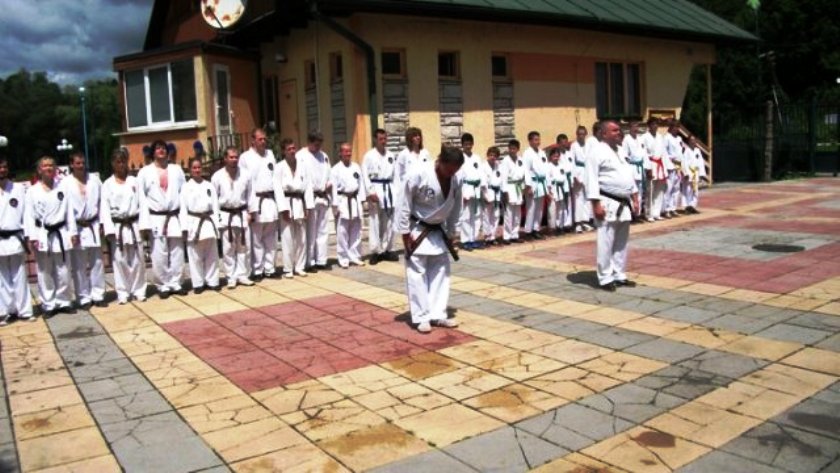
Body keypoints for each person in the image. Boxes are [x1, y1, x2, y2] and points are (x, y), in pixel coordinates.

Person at [397, 146, 463, 333]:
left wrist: (452, 232)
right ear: (440, 161)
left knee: (441, 272)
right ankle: (421, 317)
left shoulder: (456, 179)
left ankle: (437, 313)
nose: (451, 174)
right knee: (417, 274)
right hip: (418, 229)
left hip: (439, 232)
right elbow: (403, 203)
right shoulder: (418, 174)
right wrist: (404, 233)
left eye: (455, 171)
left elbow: (456, 207)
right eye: (449, 170)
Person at [585, 120, 639, 291]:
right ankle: (605, 277)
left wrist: (635, 197)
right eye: (614, 130)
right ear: (603, 133)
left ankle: (619, 274)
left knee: (621, 241)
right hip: (606, 201)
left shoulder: (620, 150)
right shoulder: (596, 152)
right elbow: (591, 179)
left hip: (624, 201)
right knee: (606, 241)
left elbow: (628, 175)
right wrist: (596, 204)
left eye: (619, 130)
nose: (618, 132)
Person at [25, 156, 78, 315]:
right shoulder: (32, 191)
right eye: (45, 166)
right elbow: (29, 216)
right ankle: (48, 304)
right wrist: (32, 237)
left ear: (55, 169)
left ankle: (64, 301)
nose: (48, 168)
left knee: (64, 271)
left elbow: (69, 212)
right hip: (43, 233)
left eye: (51, 165)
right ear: (39, 170)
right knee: (44, 271)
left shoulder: (62, 188)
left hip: (61, 232)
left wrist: (73, 232)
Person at [138, 140, 187, 298]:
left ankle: (176, 283)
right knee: (159, 253)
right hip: (156, 217)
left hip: (174, 215)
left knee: (177, 252)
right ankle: (162, 285)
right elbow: (141, 199)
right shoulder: (145, 172)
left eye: (163, 148)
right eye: (158, 148)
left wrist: (184, 220)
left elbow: (183, 194)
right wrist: (144, 223)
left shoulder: (176, 170)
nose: (161, 150)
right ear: (153, 152)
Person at [100, 149, 147, 304]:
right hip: (118, 226)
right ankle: (123, 292)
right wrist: (108, 229)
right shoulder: (107, 184)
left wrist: (144, 226)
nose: (121, 165)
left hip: (133, 224)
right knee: (119, 261)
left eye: (123, 161)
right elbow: (105, 209)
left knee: (138, 259)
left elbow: (143, 204)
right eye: (118, 162)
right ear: (113, 164)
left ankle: (139, 290)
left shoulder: (134, 181)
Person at [62, 152, 106, 309]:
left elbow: (102, 203)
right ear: (71, 165)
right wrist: (71, 231)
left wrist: (102, 223)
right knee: (79, 265)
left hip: (93, 224)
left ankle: (98, 294)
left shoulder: (94, 180)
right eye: (77, 163)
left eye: (82, 163)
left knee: (97, 262)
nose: (81, 166)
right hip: (77, 226)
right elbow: (65, 208)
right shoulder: (65, 183)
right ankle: (83, 297)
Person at [242, 128, 284, 279]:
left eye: (264, 139)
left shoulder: (270, 154)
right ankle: (257, 269)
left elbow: (276, 179)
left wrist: (280, 203)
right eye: (260, 139)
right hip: (256, 201)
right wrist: (249, 208)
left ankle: (269, 268)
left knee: (271, 238)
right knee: (257, 239)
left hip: (270, 201)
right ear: (253, 140)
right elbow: (244, 183)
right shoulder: (245, 158)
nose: (263, 142)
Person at [212, 146, 254, 288]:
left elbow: (250, 195)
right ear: (225, 159)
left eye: (236, 157)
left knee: (244, 247)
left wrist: (251, 212)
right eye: (231, 157)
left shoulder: (246, 174)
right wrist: (217, 218)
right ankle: (231, 276)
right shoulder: (217, 176)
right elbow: (214, 199)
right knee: (228, 248)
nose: (234, 160)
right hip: (226, 215)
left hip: (242, 214)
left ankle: (243, 275)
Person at [0, 158, 34, 324]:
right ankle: (6, 311)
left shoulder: (18, 189)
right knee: (2, 277)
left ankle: (25, 310)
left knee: (20, 275)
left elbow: (27, 213)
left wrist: (28, 235)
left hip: (15, 237)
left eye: (4, 167)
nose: (2, 170)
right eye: (0, 167)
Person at [181, 157, 221, 293]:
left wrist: (217, 225)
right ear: (190, 170)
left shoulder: (209, 185)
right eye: (194, 168)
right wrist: (184, 227)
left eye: (199, 167)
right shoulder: (186, 187)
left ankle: (213, 281)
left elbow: (215, 206)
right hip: (194, 222)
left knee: (212, 254)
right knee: (195, 255)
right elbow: (183, 209)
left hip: (209, 222)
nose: (197, 170)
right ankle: (198, 283)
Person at [277, 139, 312, 278]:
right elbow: (277, 189)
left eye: (293, 148)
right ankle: (288, 268)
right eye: (289, 149)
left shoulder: (303, 166)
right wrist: (283, 208)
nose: (292, 151)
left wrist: (308, 206)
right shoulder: (279, 167)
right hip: (287, 202)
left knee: (301, 237)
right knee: (287, 238)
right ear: (283, 151)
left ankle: (300, 266)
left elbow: (308, 187)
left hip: (300, 202)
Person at [362, 129, 398, 265]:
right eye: (381, 139)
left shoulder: (391, 155)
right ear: (375, 140)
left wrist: (396, 193)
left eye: (385, 138)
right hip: (375, 189)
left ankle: (388, 249)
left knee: (389, 221)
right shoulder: (369, 156)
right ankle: (375, 251)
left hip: (389, 189)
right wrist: (370, 192)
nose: (383, 141)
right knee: (375, 221)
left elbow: (396, 176)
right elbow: (365, 176)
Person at [297, 131, 331, 271]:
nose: (318, 147)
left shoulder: (324, 156)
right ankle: (309, 261)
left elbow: (329, 174)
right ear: (309, 142)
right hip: (310, 197)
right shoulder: (301, 156)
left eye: (320, 145)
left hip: (323, 196)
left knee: (323, 230)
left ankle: (321, 260)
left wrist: (328, 185)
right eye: (316, 145)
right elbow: (300, 178)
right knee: (310, 231)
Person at [331, 143, 366, 268]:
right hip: (343, 200)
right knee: (342, 231)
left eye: (349, 151)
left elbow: (361, 185)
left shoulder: (356, 167)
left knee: (356, 230)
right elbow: (333, 189)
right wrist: (335, 206)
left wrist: (362, 200)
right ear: (340, 153)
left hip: (355, 200)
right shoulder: (335, 169)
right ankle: (343, 257)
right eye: (345, 151)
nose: (348, 154)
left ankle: (355, 256)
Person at [458, 133, 485, 250]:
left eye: (470, 144)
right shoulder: (460, 158)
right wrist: (462, 192)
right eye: (466, 144)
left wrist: (483, 187)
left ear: (473, 144)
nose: (468, 146)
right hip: (466, 188)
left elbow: (482, 173)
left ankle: (473, 239)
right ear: (462, 145)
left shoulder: (477, 158)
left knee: (476, 215)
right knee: (466, 216)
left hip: (476, 189)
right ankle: (465, 240)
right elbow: (458, 175)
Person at [500, 139, 528, 243]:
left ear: (518, 149)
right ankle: (507, 236)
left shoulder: (521, 160)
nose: (512, 150)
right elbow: (503, 178)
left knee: (517, 214)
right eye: (511, 148)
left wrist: (524, 188)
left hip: (518, 187)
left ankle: (515, 234)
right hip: (509, 188)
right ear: (508, 149)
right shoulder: (505, 161)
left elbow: (524, 175)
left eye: (514, 149)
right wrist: (505, 192)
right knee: (509, 214)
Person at [522, 131, 548, 240]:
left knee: (540, 208)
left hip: (541, 183)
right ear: (530, 141)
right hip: (532, 183)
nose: (538, 142)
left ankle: (536, 229)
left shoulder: (542, 153)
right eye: (536, 140)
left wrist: (547, 184)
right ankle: (528, 231)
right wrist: (528, 186)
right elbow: (526, 170)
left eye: (538, 139)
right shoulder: (527, 153)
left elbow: (546, 169)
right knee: (531, 208)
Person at [642, 118, 668, 221]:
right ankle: (649, 213)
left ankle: (657, 212)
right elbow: (644, 153)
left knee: (660, 190)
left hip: (660, 164)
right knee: (650, 190)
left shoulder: (660, 137)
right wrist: (648, 168)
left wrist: (665, 168)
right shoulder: (644, 137)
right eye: (653, 124)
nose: (655, 126)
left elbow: (664, 153)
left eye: (656, 124)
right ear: (649, 126)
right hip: (651, 163)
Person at [622, 122, 648, 221]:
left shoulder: (640, 139)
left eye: (637, 126)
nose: (636, 128)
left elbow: (644, 154)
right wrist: (627, 168)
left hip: (640, 167)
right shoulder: (626, 139)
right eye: (634, 126)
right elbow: (625, 156)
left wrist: (647, 167)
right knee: (632, 191)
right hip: (632, 167)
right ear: (630, 128)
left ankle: (638, 213)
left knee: (640, 191)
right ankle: (631, 213)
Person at [570, 126, 593, 233]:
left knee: (587, 198)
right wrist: (574, 176)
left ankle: (585, 221)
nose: (581, 136)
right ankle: (578, 223)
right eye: (579, 134)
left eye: (583, 134)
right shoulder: (574, 146)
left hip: (587, 172)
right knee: (578, 198)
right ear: (576, 134)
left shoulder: (589, 145)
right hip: (578, 172)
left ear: (586, 134)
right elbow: (571, 162)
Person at [480, 146, 504, 245]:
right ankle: (487, 236)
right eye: (490, 155)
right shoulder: (483, 166)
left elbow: (502, 180)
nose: (492, 157)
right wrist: (485, 196)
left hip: (497, 193)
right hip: (488, 192)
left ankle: (493, 236)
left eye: (494, 155)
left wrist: (502, 193)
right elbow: (483, 183)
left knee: (496, 216)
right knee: (486, 216)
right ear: (487, 155)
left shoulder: (499, 166)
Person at [663, 119, 684, 218]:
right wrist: (670, 161)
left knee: (676, 188)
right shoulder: (666, 138)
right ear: (671, 127)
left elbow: (681, 152)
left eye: (678, 127)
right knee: (669, 188)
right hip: (670, 165)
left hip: (678, 165)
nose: (677, 129)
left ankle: (673, 208)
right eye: (675, 127)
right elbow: (664, 152)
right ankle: (666, 209)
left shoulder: (679, 138)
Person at [681, 135, 706, 214]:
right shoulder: (686, 151)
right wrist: (686, 173)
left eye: (694, 140)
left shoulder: (697, 150)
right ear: (688, 141)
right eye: (691, 140)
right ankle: (687, 207)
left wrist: (702, 174)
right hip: (689, 172)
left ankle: (692, 206)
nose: (693, 141)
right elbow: (684, 163)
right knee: (687, 190)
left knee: (695, 191)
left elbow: (701, 162)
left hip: (696, 172)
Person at [546, 145, 567, 235]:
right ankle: (552, 227)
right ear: (550, 156)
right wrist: (549, 192)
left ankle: (560, 226)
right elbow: (547, 180)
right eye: (554, 156)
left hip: (561, 189)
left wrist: (565, 190)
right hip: (553, 189)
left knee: (561, 209)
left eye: (557, 156)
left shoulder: (561, 166)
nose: (556, 158)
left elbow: (564, 178)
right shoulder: (548, 166)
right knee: (552, 209)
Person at [556, 134, 575, 231]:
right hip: (562, 180)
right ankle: (560, 224)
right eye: (562, 143)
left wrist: (573, 178)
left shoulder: (569, 153)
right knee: (562, 203)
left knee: (569, 202)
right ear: (558, 143)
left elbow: (573, 167)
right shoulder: (556, 155)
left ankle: (569, 223)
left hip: (570, 179)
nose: (564, 144)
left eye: (565, 142)